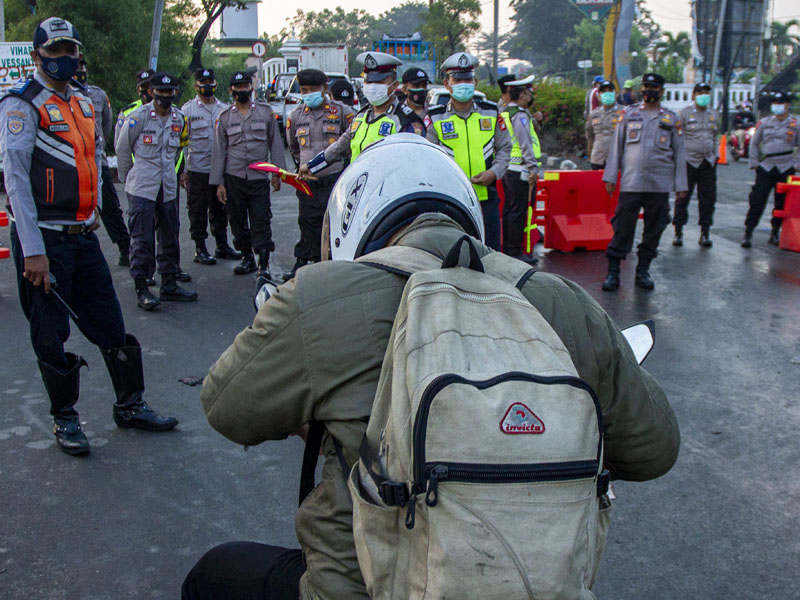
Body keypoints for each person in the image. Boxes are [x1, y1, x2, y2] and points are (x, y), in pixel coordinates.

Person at [182, 134, 679, 599]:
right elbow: (654, 451)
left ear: (356, 217)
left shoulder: (317, 295)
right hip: (538, 586)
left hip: (366, 587)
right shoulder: (561, 300)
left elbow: (227, 408)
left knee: (214, 573)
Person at [1, 17, 177, 456]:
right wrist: (34, 252)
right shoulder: (22, 105)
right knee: (50, 333)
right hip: (44, 240)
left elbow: (93, 156)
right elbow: (17, 183)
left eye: (69, 50)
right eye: (55, 50)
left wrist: (94, 205)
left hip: (82, 235)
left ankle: (130, 405)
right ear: (39, 54)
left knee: (110, 324)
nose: (64, 58)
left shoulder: (82, 101)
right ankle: (65, 419)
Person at [115, 71, 198, 310]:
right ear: (151, 92)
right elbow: (122, 150)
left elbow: (182, 149)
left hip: (168, 186)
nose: (165, 96)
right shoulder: (138, 117)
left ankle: (169, 284)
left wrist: (180, 172)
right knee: (142, 238)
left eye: (170, 92)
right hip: (142, 185)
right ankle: (142, 287)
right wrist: (129, 177)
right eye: (160, 92)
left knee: (170, 234)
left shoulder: (179, 118)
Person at [602, 72, 688, 291]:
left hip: (659, 185)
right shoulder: (628, 114)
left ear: (661, 91)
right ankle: (613, 272)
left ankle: (643, 271)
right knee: (622, 227)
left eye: (653, 87)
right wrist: (611, 176)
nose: (648, 90)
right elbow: (616, 146)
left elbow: (679, 153)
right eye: (646, 86)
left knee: (654, 228)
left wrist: (681, 186)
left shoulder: (671, 118)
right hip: (631, 182)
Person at [426, 52, 512, 251]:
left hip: (486, 201)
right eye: (457, 79)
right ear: (446, 84)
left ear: (475, 82)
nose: (463, 84)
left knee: (490, 257)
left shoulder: (491, 112)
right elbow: (428, 159)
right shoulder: (436, 117)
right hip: (451, 202)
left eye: (468, 79)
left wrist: (494, 173)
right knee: (454, 257)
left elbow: (505, 148)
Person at [299, 51, 425, 180]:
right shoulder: (361, 116)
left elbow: (414, 165)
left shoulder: (405, 121)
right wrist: (311, 166)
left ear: (394, 86)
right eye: (368, 82)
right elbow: (339, 148)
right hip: (358, 189)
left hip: (388, 192)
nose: (372, 87)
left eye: (379, 82)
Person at [211, 71, 285, 277]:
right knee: (236, 219)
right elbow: (219, 151)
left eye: (245, 86)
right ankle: (247, 258)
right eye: (238, 87)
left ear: (251, 88)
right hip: (234, 177)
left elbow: (275, 144)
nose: (242, 90)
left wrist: (278, 173)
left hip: (259, 176)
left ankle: (263, 263)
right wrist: (219, 183)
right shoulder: (225, 117)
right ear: (230, 90)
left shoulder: (265, 112)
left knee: (261, 218)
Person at [284, 69, 353, 280]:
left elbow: (348, 144)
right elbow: (294, 148)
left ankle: (334, 265)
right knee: (308, 222)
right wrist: (303, 165)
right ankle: (309, 264)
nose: (308, 93)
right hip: (308, 182)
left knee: (336, 224)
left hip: (334, 180)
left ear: (324, 88)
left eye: (313, 89)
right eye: (304, 90)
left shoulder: (342, 111)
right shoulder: (295, 116)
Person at [72, 57, 132, 267]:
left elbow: (106, 126)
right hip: (70, 163)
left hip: (96, 161)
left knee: (109, 206)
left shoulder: (98, 95)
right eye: (77, 66)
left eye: (83, 66)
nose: (81, 70)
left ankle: (125, 248)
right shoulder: (60, 96)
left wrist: (95, 148)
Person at [180, 67, 240, 266]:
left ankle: (222, 245)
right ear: (196, 86)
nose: (207, 86)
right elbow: (181, 145)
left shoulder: (224, 109)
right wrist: (182, 171)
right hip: (196, 168)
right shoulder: (187, 110)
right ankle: (200, 248)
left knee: (221, 207)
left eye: (210, 82)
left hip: (219, 169)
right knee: (197, 209)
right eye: (203, 83)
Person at [742, 91, 799, 248]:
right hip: (766, 165)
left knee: (781, 203)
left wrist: (797, 165)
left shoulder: (795, 124)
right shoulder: (765, 122)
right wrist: (754, 162)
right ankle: (748, 232)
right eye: (775, 103)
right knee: (757, 199)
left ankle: (775, 232)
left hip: (786, 166)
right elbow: (754, 143)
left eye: (780, 103)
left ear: (787, 105)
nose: (777, 106)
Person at [673, 82, 719, 248]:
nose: (704, 95)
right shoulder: (684, 114)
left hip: (708, 162)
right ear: (694, 95)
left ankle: (705, 232)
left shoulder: (714, 114)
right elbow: (677, 137)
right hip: (688, 161)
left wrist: (715, 155)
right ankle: (678, 231)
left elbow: (715, 136)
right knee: (682, 197)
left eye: (707, 92)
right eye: (700, 92)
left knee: (708, 199)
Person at [501, 75, 541, 263]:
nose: (531, 96)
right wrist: (533, 168)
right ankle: (515, 251)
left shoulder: (506, 111)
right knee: (518, 211)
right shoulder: (520, 116)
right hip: (521, 170)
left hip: (510, 168)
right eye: (529, 92)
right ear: (523, 95)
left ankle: (510, 247)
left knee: (511, 210)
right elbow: (526, 145)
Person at [586, 79, 624, 170]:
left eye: (610, 91)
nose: (607, 93)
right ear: (599, 95)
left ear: (616, 93)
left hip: (617, 159)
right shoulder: (594, 114)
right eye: (604, 91)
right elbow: (590, 138)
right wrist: (590, 156)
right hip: (598, 159)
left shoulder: (624, 112)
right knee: (597, 184)